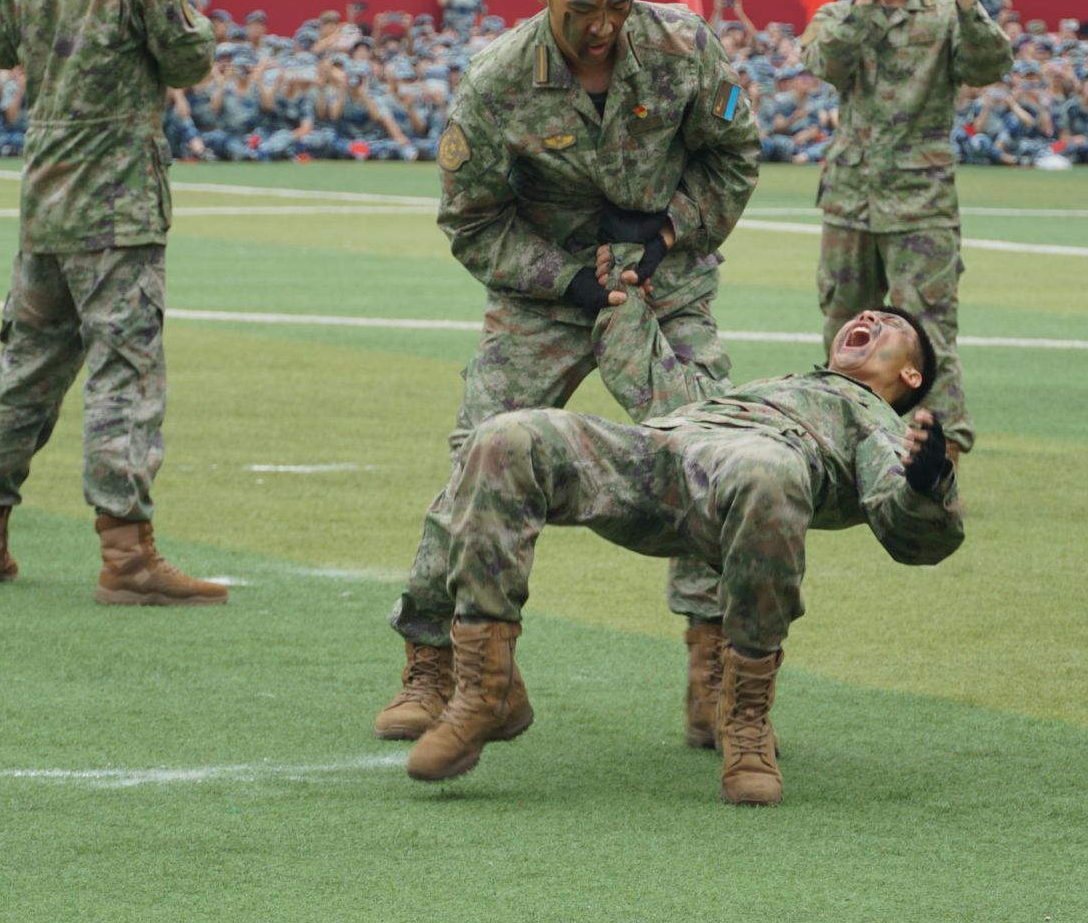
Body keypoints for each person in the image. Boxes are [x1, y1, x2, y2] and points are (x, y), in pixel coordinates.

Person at [376, 0, 762, 753]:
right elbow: (472, 220)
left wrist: (668, 233)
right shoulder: (497, 81)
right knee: (480, 457)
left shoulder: (682, 46)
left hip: (662, 285)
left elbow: (734, 156)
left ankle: (714, 671)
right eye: (581, 7)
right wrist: (568, 281)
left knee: (713, 451)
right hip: (545, 295)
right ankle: (440, 663)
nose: (602, 26)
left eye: (619, 2)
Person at [405, 297, 964, 806]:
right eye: (865, 314)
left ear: (910, 375)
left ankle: (745, 723)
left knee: (768, 470)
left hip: (744, 479)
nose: (868, 318)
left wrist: (925, 482)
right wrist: (624, 301)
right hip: (662, 454)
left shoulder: (876, 422)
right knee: (505, 437)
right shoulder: (781, 384)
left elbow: (913, 534)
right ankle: (489, 686)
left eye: (889, 323)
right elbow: (657, 383)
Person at [0, 0, 226, 606]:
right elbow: (190, 60)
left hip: (47, 199)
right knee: (124, 373)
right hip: (119, 204)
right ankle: (125, 554)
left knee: (26, 368)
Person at [802, 0, 1013, 468]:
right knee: (846, 335)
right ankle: (845, 462)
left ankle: (938, 472)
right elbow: (826, 61)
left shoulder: (947, 16)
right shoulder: (840, 13)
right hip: (850, 200)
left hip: (922, 204)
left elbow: (991, 63)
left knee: (930, 336)